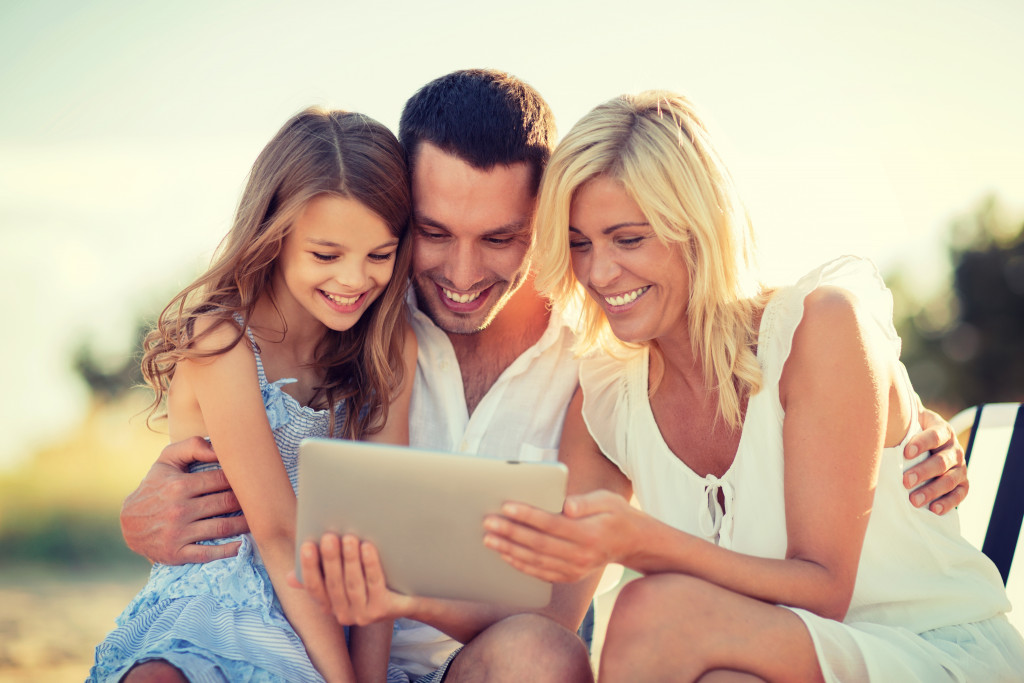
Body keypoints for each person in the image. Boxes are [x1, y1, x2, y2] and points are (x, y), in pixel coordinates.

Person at [120, 71, 970, 683]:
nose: (460, 271)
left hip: (490, 665)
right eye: (431, 232)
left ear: (545, 218)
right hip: (321, 653)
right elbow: (255, 399)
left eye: (502, 238)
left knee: (548, 649)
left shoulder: (597, 358)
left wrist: (918, 428)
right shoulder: (364, 321)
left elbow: (770, 363)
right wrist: (146, 503)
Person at [482, 90, 1024, 681]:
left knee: (655, 611)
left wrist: (642, 542)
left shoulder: (821, 330)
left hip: (923, 651)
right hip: (762, 659)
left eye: (629, 239)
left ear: (699, 228)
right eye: (580, 244)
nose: (598, 272)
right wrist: (400, 602)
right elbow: (550, 619)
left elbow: (823, 593)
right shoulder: (610, 391)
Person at [90, 107, 417, 683]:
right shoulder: (222, 339)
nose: (353, 279)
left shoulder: (391, 348)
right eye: (326, 255)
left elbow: (377, 532)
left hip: (326, 618)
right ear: (274, 234)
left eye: (380, 255)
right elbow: (275, 530)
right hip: (220, 602)